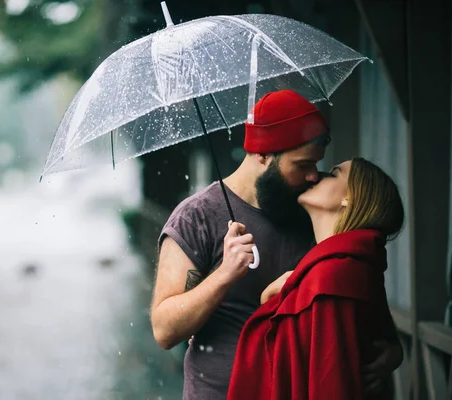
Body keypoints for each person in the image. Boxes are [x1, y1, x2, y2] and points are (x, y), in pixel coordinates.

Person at [150, 90, 402, 399]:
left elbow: (367, 310)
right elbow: (165, 330)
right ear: (263, 154)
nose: (313, 176)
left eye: (317, 164)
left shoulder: (312, 210)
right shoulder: (196, 217)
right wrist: (224, 274)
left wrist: (390, 353)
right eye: (302, 165)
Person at [227, 158, 404, 400]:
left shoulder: (335, 275)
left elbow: (330, 383)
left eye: (334, 173)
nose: (316, 175)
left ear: (349, 198)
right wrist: (275, 296)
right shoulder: (348, 265)